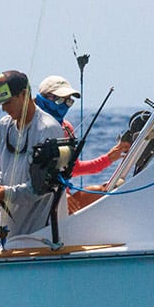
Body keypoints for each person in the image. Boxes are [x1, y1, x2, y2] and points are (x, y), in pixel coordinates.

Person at [0, 70, 65, 246]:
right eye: (1, 103)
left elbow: (40, 188)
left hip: (39, 231)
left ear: (24, 94)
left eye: (8, 102)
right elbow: (0, 169)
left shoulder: (48, 129)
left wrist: (6, 193)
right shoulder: (3, 126)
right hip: (6, 230)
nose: (4, 108)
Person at [35, 75, 129, 212]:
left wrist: (108, 158)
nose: (64, 105)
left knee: (108, 190)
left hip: (61, 199)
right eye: (60, 100)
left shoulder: (66, 128)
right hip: (39, 201)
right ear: (45, 98)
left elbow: (74, 168)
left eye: (69, 101)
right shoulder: (32, 127)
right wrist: (60, 195)